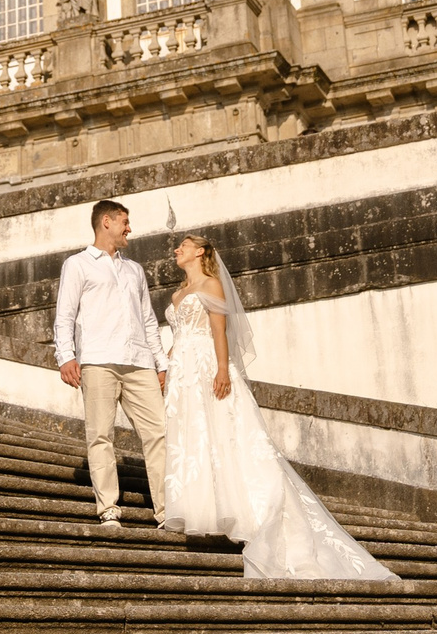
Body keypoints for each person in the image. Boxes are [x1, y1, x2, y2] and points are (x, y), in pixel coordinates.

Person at [156, 234, 395, 582]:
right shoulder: (177, 293)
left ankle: (246, 510)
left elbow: (220, 332)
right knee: (194, 439)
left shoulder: (212, 284)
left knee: (225, 434)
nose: (177, 250)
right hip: (183, 374)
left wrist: (222, 370)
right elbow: (178, 336)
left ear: (201, 251)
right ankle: (201, 509)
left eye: (184, 245)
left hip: (208, 366)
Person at [53, 199, 169, 525]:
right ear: (107, 222)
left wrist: (161, 364)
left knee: (160, 433)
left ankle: (166, 510)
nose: (129, 228)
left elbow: (148, 320)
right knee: (101, 435)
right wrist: (66, 356)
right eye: (124, 222)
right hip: (98, 360)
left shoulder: (135, 270)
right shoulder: (77, 265)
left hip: (139, 361)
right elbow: (65, 315)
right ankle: (109, 509)